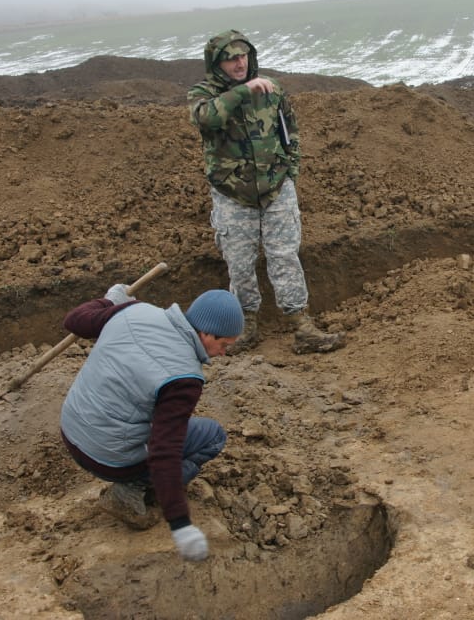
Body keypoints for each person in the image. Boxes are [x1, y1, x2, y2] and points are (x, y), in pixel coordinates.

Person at [187, 29, 345, 355]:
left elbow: (291, 131)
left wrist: (291, 173)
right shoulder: (206, 94)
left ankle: (302, 327)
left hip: (276, 190)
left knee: (285, 257)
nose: (239, 63)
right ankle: (245, 329)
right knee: (240, 264)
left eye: (243, 56)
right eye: (231, 58)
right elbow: (205, 119)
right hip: (233, 195)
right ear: (217, 63)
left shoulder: (271, 90)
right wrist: (242, 92)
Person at [59, 284, 244, 562]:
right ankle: (131, 489)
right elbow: (164, 453)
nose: (223, 354)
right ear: (206, 333)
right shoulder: (184, 378)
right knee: (212, 436)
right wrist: (180, 523)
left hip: (71, 432)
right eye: (224, 345)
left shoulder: (135, 311)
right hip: (108, 458)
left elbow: (74, 321)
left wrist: (111, 302)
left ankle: (130, 477)